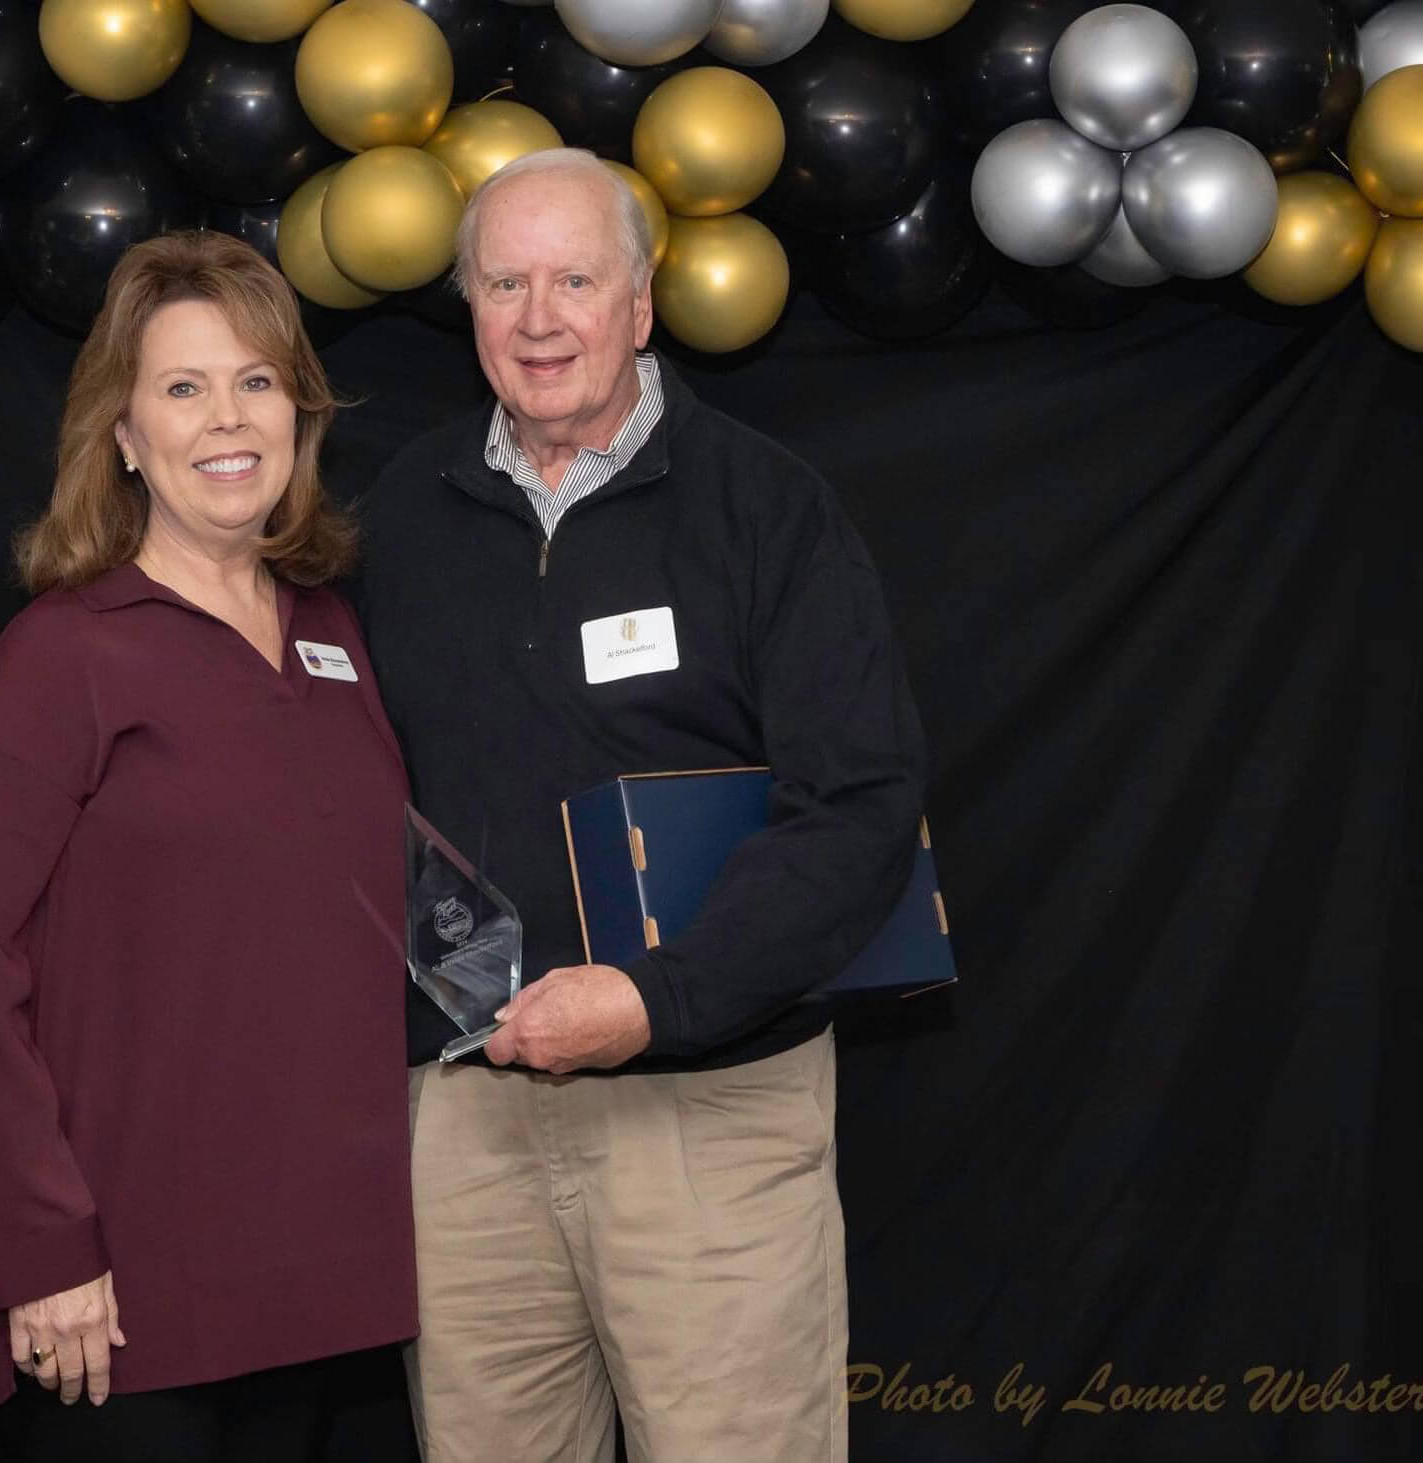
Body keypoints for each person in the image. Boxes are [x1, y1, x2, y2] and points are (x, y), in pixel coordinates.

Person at [353, 149, 927, 1462]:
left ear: (642, 299)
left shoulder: (767, 506)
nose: (540, 316)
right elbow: (354, 795)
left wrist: (658, 998)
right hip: (465, 1114)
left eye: (574, 277)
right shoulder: (402, 516)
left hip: (708, 1106)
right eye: (505, 281)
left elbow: (861, 803)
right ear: (467, 306)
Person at [0, 230, 416, 1463]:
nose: (227, 418)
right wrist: (42, 1254)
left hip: (339, 1284)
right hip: (131, 1299)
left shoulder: (337, 636)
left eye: (257, 381)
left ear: (300, 415)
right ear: (125, 436)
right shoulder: (59, 659)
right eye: (183, 388)